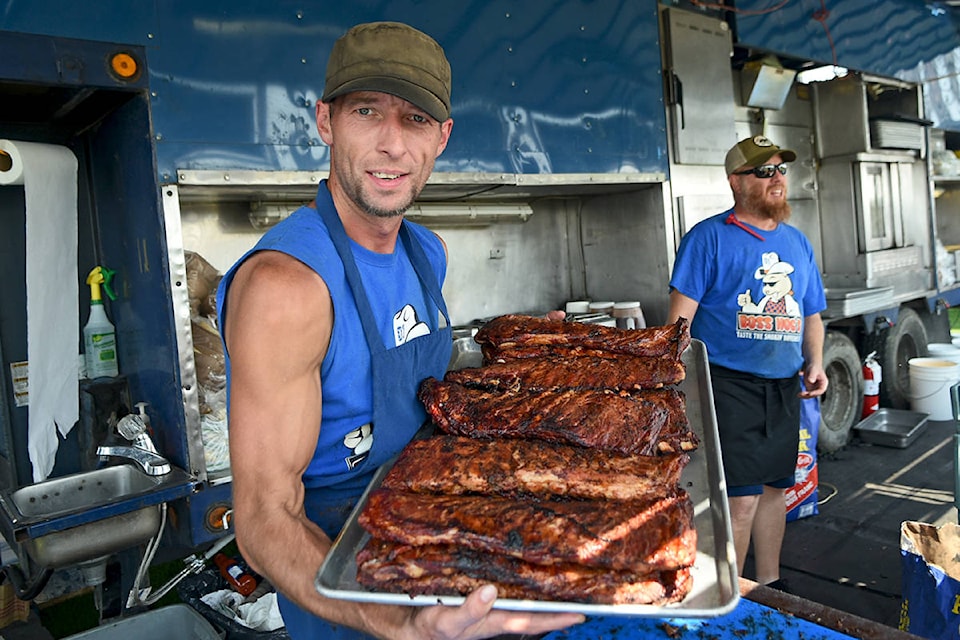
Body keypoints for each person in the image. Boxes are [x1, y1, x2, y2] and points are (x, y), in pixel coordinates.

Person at [215, 21, 582, 640]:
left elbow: (418, 392)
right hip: (343, 578)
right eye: (367, 112)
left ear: (441, 138)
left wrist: (524, 371)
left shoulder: (426, 253)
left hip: (441, 533)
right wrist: (398, 621)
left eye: (414, 120)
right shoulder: (287, 288)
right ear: (326, 122)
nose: (392, 145)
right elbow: (263, 518)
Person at [667, 135, 829, 590]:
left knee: (777, 489)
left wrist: (814, 362)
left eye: (780, 169)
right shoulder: (708, 239)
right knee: (740, 499)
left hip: (783, 385)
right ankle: (730, 595)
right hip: (726, 385)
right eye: (764, 171)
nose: (777, 178)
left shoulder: (798, 243)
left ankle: (770, 587)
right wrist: (678, 387)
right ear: (736, 181)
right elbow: (678, 325)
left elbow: (811, 313)